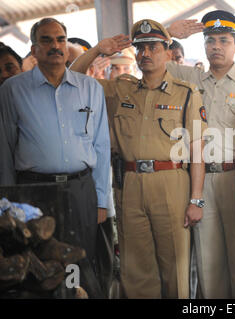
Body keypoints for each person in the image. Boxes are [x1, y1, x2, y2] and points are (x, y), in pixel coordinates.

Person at [70, 19, 208, 299]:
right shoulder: (120, 89)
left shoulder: (186, 93)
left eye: (153, 47)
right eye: (141, 48)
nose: (146, 53)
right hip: (129, 184)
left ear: (167, 52)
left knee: (175, 270)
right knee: (136, 270)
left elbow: (197, 151)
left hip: (171, 182)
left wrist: (196, 200)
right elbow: (73, 77)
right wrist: (98, 49)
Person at [0, 17, 111, 298]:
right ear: (34, 49)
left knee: (80, 260)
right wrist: (9, 201)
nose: (55, 46)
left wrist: (100, 200)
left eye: (60, 39)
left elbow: (101, 146)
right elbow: (5, 148)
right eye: (46, 40)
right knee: (38, 266)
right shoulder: (13, 90)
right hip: (33, 191)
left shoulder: (91, 89)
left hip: (81, 189)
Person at [165, 10, 235, 299]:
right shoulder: (191, 79)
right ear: (203, 45)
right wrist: (167, 32)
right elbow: (149, 57)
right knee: (207, 262)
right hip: (199, 181)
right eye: (210, 40)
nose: (216, 46)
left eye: (224, 40)